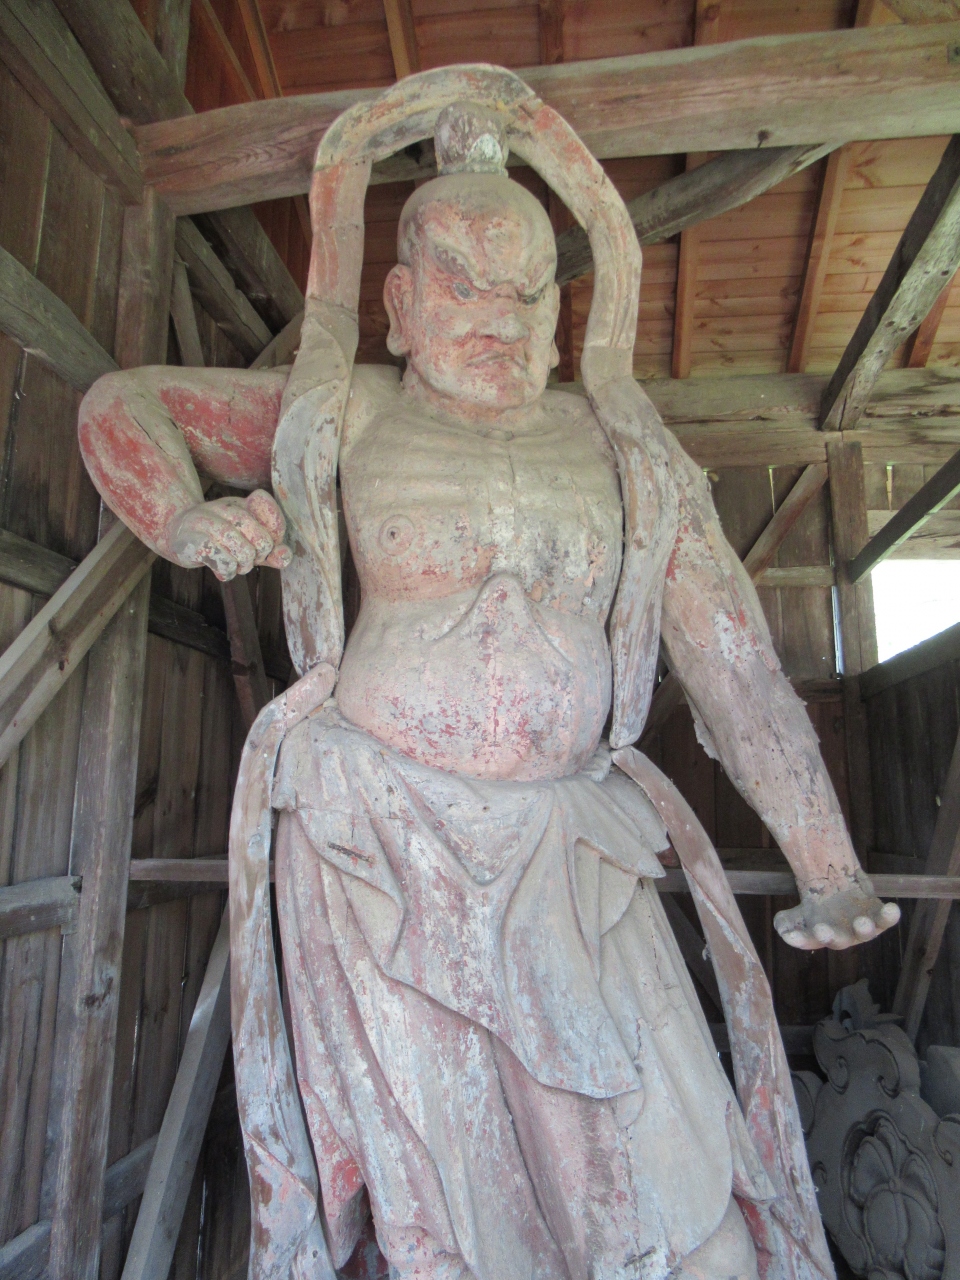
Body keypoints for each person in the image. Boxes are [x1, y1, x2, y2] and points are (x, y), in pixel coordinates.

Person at [78, 76, 898, 1280]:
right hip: (385, 846)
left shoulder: (621, 448)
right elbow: (124, 404)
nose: (498, 318)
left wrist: (825, 862)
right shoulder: (347, 415)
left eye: (527, 292)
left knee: (696, 1217)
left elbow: (730, 653)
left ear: (563, 311)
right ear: (399, 303)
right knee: (451, 1216)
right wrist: (187, 519)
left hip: (581, 849)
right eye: (463, 284)